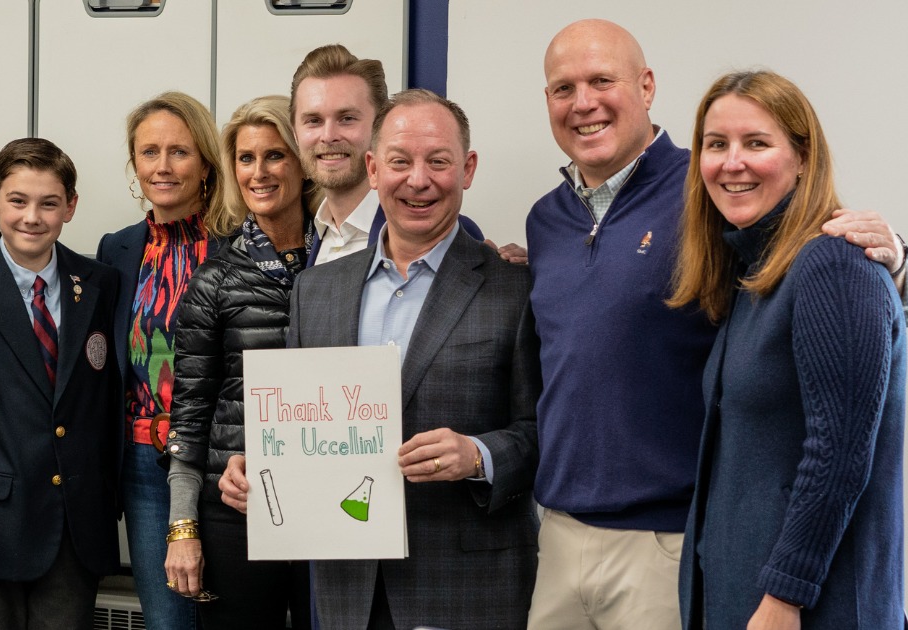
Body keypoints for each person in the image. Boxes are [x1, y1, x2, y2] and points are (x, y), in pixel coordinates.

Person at [524, 19, 906, 630]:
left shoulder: (709, 198)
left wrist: (896, 257)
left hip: (672, 544)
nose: (583, 102)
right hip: (580, 538)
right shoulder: (547, 222)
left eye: (602, 80)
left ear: (646, 86)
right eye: (562, 88)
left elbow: (840, 445)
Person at [276, 88, 541, 629]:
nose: (417, 180)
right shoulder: (314, 292)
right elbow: (298, 425)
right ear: (373, 170)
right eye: (399, 161)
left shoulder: (518, 291)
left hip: (468, 589)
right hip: (346, 591)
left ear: (467, 169)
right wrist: (263, 469)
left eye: (438, 161)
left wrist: (479, 456)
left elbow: (549, 432)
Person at [667, 70, 905, 630]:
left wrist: (785, 596)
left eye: (756, 143)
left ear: (802, 156)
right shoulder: (754, 276)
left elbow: (841, 448)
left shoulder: (832, 265)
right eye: (716, 144)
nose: (732, 163)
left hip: (806, 608)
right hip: (745, 597)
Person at [0, 138, 121, 629]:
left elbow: (108, 405)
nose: (32, 216)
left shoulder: (99, 284)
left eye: (49, 203)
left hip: (75, 532)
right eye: (17, 201)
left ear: (70, 207)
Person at [163, 94, 319, 629]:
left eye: (275, 155)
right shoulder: (214, 278)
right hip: (237, 507)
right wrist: (183, 528)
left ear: (303, 161)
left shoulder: (349, 261)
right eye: (246, 158)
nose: (260, 172)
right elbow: (190, 415)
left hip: (333, 497)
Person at [95, 91, 230, 629]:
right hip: (144, 464)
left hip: (220, 465)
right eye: (149, 152)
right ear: (135, 164)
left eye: (179, 151)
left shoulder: (239, 244)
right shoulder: (118, 248)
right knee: (167, 621)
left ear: (204, 165)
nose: (163, 166)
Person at [289, 44, 485, 265]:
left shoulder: (447, 232)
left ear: (380, 129)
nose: (328, 136)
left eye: (347, 118)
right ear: (295, 134)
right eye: (313, 121)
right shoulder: (315, 232)